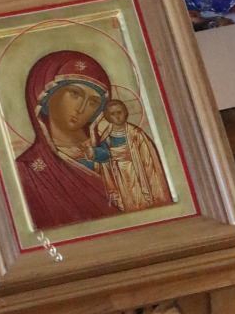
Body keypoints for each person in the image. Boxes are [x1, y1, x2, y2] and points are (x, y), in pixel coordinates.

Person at [16, 51, 117, 231]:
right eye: (75, 94)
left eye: (93, 102)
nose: (82, 108)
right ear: (45, 96)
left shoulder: (113, 152)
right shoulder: (26, 170)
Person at [99, 98, 172, 214]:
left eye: (119, 112)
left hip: (138, 172)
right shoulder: (106, 138)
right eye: (113, 114)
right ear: (108, 117)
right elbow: (104, 164)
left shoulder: (136, 134)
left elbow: (148, 160)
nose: (117, 116)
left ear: (125, 112)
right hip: (120, 176)